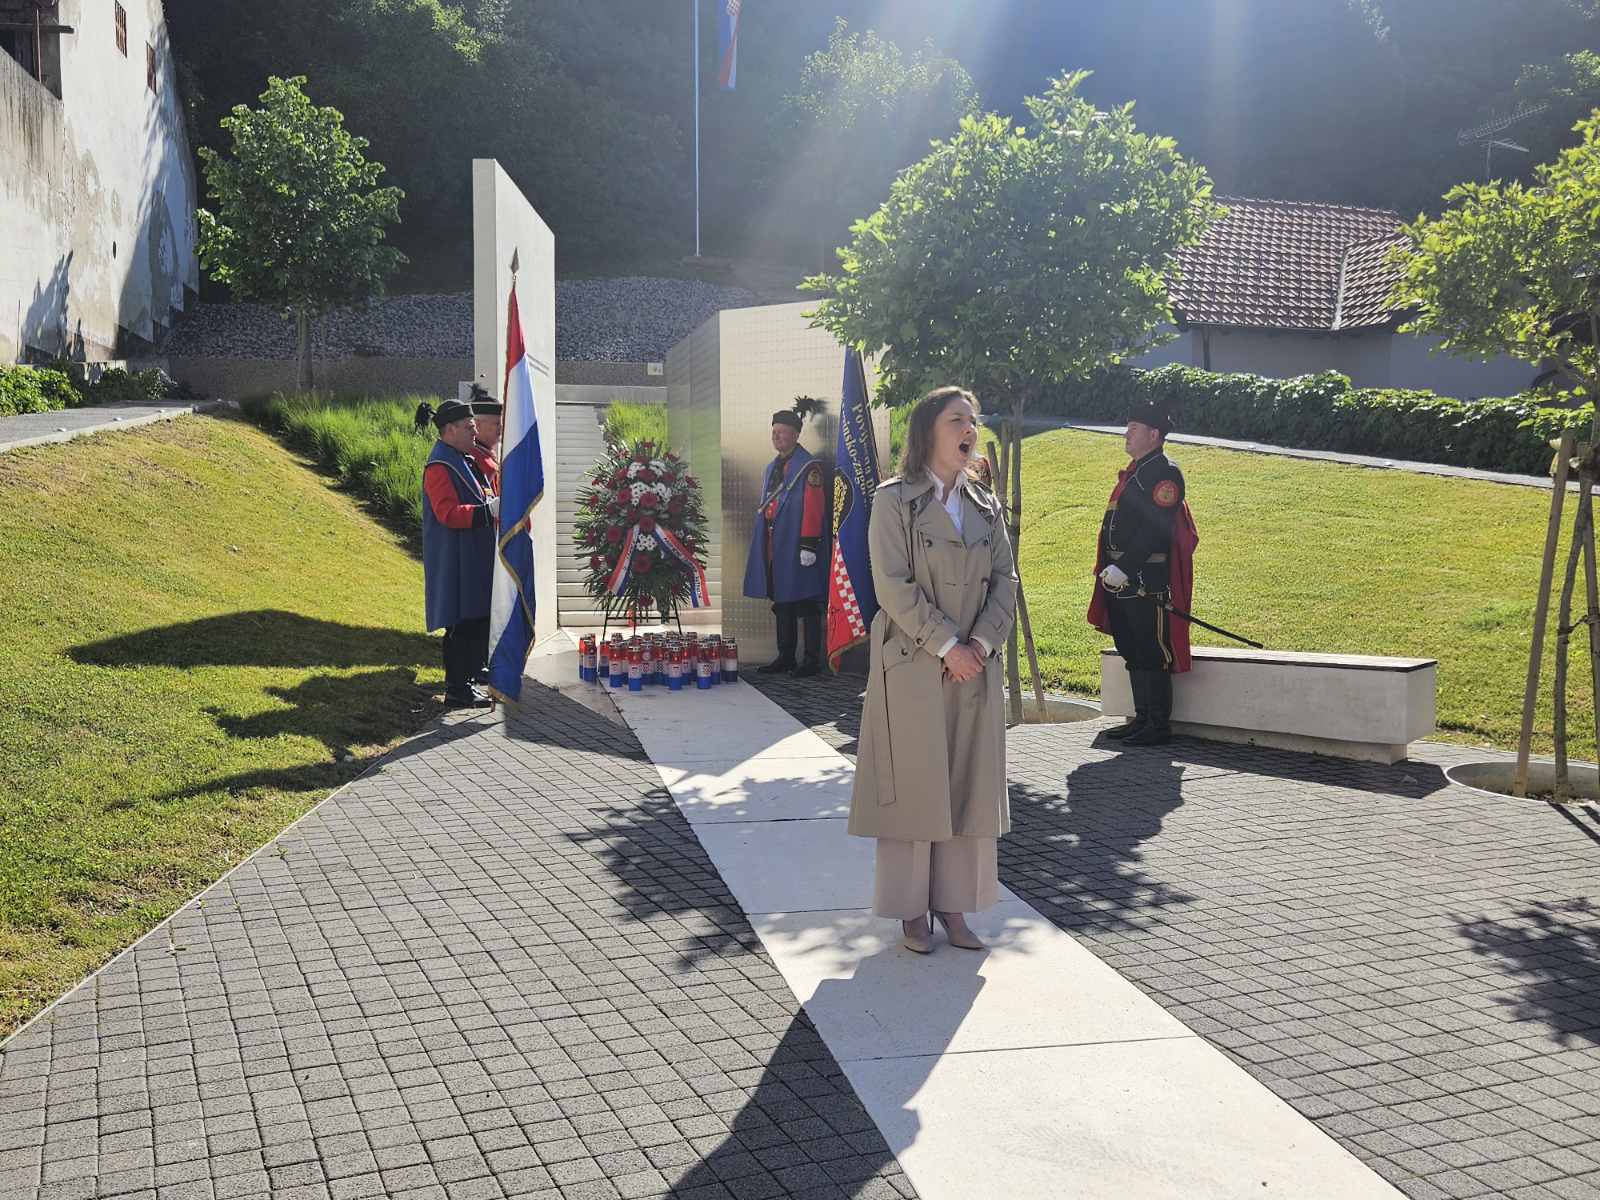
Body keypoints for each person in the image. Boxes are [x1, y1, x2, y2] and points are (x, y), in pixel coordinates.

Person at [848, 387, 1017, 954]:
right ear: (928, 431)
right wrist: (949, 647)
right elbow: (892, 585)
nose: (969, 429)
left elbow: (1006, 581)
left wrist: (982, 645)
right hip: (915, 665)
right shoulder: (893, 500)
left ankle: (954, 905)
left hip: (975, 667)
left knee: (968, 786)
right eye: (956, 420)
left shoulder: (985, 505)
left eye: (973, 420)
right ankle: (910, 911)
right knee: (915, 788)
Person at [1086, 398, 1199, 746]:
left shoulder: (1164, 473)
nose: (1126, 434)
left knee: (1151, 651)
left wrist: (1125, 567)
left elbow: (1156, 530)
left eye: (1133, 429)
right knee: (1132, 647)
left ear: (1154, 434)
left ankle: (1158, 725)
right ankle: (1142, 718)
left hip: (1146, 578)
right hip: (1120, 577)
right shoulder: (1137, 471)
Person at [416, 398, 500, 707]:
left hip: (471, 557)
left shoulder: (462, 459)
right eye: (468, 427)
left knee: (475, 622)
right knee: (462, 626)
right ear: (450, 429)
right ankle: (457, 689)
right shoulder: (440, 466)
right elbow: (447, 513)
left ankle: (470, 679)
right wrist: (487, 511)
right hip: (457, 560)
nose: (474, 433)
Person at [742, 405, 827, 676]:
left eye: (782, 432)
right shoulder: (772, 467)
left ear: (795, 435)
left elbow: (814, 507)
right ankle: (786, 656)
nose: (776, 437)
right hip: (774, 544)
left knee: (807, 602)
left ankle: (812, 661)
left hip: (797, 543)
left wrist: (808, 544)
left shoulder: (809, 467)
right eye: (774, 432)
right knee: (782, 600)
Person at [468, 386, 501, 496]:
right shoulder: (475, 458)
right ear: (477, 425)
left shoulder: (484, 454)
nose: (501, 428)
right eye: (497, 423)